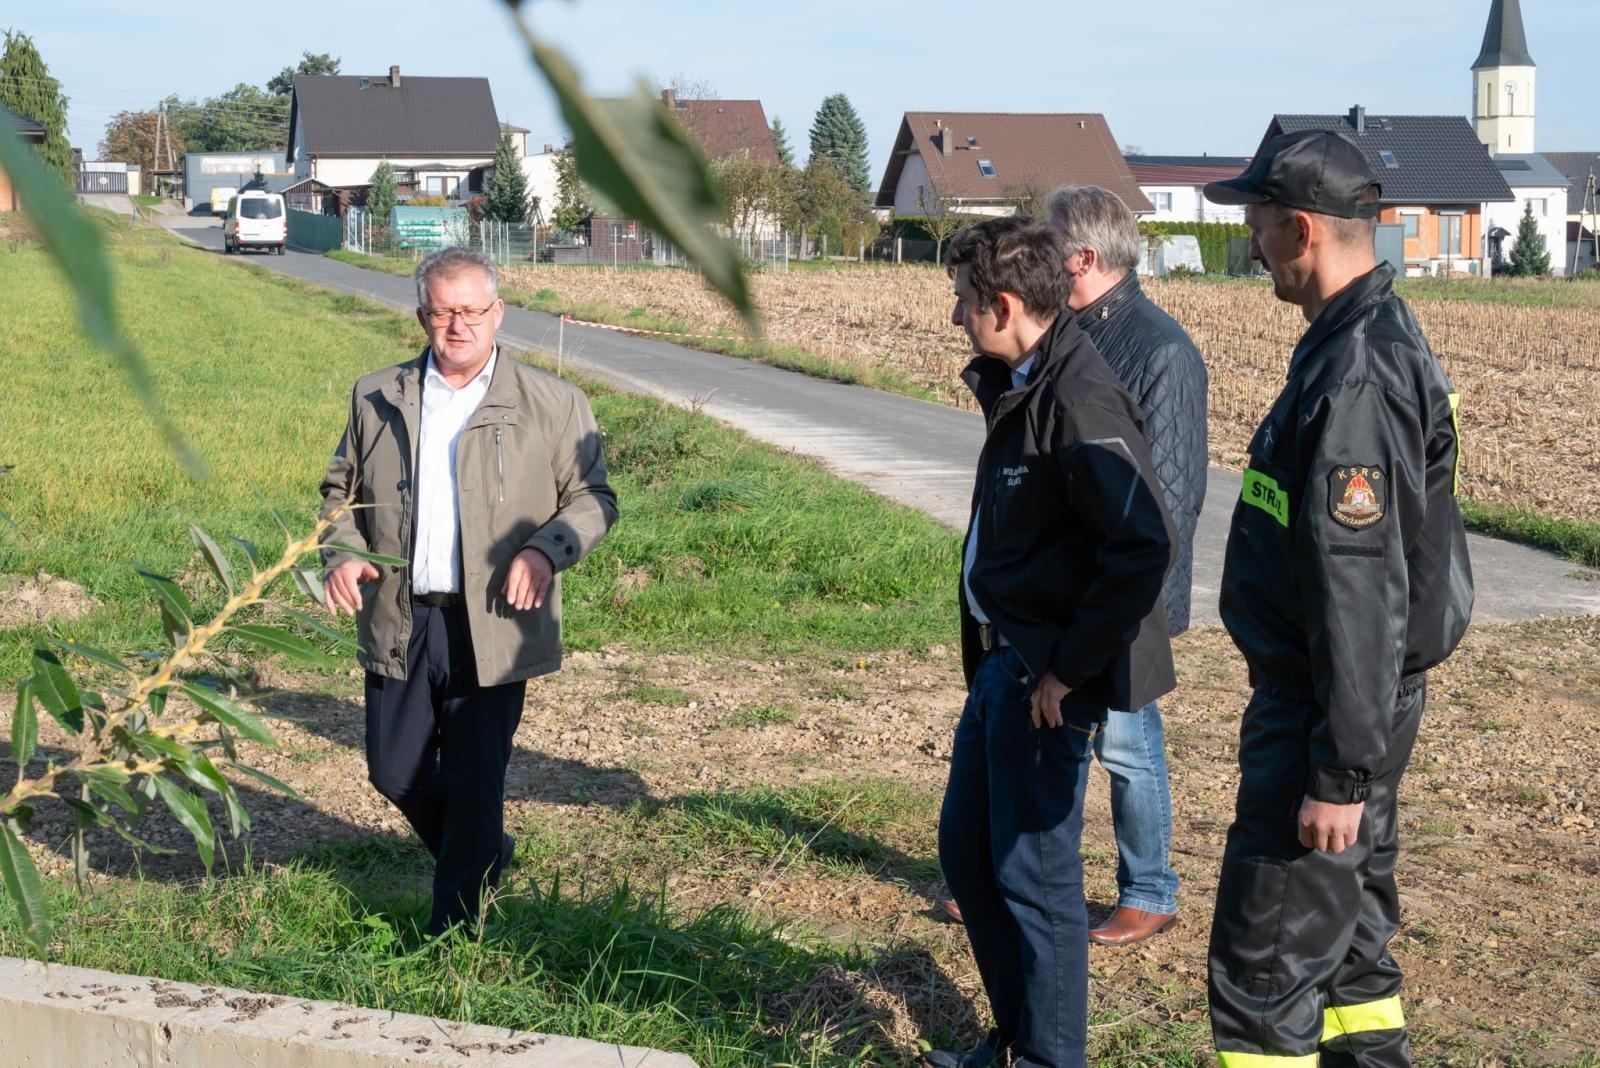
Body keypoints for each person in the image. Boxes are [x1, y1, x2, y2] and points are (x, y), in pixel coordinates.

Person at [1202, 131, 1473, 1065]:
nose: (1255, 247)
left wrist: (1338, 775)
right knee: (1354, 966)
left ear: (1304, 229)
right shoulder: (1354, 340)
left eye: (1261, 227)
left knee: (1264, 974)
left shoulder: (1355, 368)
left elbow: (1360, 585)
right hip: (1347, 712)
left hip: (1327, 715)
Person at [926, 217, 1177, 1068]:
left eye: (963, 302)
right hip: (1003, 664)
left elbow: (1142, 545)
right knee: (968, 855)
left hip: (1042, 679)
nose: (956, 317)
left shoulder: (1079, 397)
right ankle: (1015, 1037)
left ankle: (1047, 1058)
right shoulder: (1027, 378)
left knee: (1035, 881)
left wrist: (1067, 671)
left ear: (1003, 304)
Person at [319, 246, 618, 936]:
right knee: (392, 771)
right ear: (422, 315)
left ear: (499, 314)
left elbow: (594, 498)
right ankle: (485, 853)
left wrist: (548, 550)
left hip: (494, 623)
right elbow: (342, 492)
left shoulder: (553, 402)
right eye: (442, 312)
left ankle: (451, 935)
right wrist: (341, 553)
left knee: (475, 783)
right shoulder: (376, 396)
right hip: (401, 614)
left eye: (471, 312)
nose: (457, 326)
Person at [1047, 184, 1208, 946]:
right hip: (1074, 584)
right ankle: (1046, 880)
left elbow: (1169, 495)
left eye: (1050, 251)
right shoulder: (1072, 333)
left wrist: (1131, 599)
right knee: (1059, 730)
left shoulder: (1161, 350)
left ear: (1082, 258)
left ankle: (1150, 890)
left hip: (1127, 594)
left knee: (1125, 741)